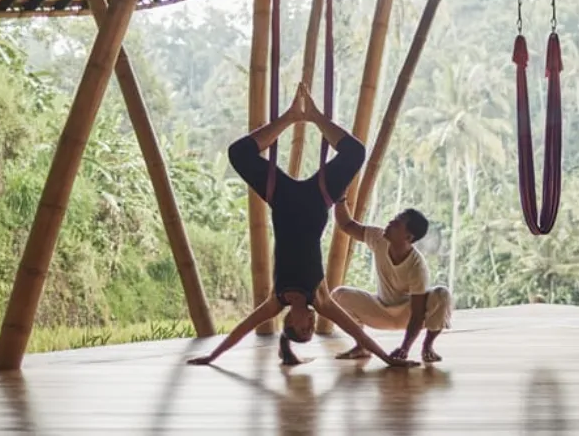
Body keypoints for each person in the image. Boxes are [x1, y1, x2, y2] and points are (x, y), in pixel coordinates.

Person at [188, 84, 415, 368]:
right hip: (316, 199)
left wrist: (212, 356)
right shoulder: (320, 299)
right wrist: (388, 360)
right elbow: (356, 332)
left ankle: (293, 117)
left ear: (290, 322)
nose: (311, 324)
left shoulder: (276, 299)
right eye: (312, 329)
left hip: (282, 198)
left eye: (304, 329)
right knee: (355, 153)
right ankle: (316, 117)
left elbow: (241, 330)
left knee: (238, 153)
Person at [330, 202, 452, 364]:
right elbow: (347, 225)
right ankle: (362, 346)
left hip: (406, 316)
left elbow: (416, 315)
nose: (390, 222)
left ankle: (427, 347)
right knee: (338, 295)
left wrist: (405, 348)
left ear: (408, 237)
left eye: (397, 223)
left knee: (442, 294)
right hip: (380, 311)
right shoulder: (378, 238)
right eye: (394, 219)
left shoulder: (417, 266)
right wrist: (340, 199)